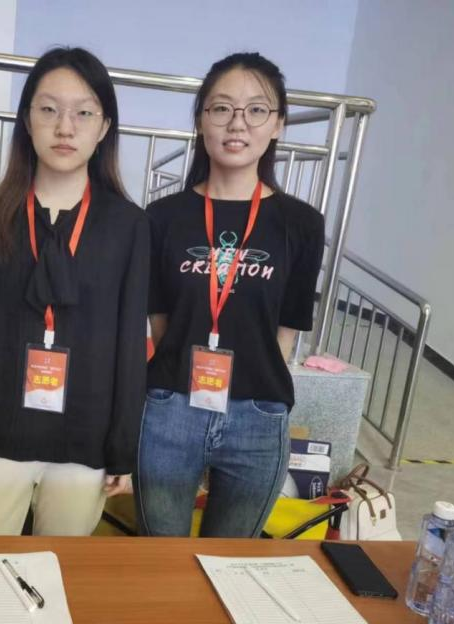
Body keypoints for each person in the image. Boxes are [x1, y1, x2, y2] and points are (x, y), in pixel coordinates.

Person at [0, 47, 149, 536]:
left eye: (83, 113)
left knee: (61, 571)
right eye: (49, 109)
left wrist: (123, 447)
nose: (65, 127)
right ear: (27, 120)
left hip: (84, 442)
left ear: (104, 127)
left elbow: (129, 345)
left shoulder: (129, 226)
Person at [136, 52, 324, 538]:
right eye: (221, 108)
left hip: (258, 415)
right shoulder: (161, 218)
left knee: (231, 565)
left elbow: (286, 331)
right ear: (201, 120)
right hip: (171, 407)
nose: (237, 123)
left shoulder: (302, 224)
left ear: (278, 124)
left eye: (256, 110)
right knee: (162, 562)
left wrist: (255, 384)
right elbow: (161, 322)